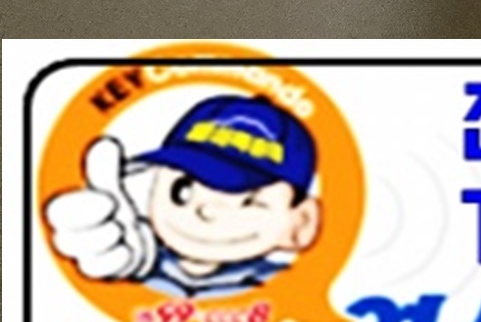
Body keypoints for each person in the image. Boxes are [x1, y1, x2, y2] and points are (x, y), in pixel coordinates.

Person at [43, 93, 324, 294]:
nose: (204, 212)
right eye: (182, 190)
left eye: (247, 201)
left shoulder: (283, 287)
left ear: (301, 223)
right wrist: (130, 265)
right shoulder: (140, 260)